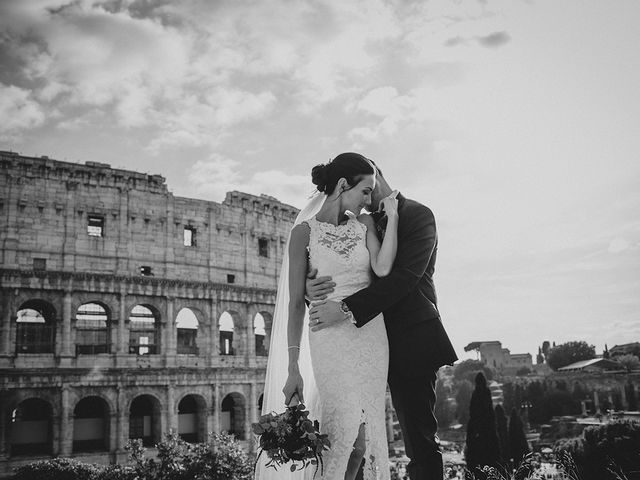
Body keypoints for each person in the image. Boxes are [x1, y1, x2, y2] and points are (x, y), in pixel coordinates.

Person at [308, 158, 458, 480]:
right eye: (362, 191)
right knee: (352, 438)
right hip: (358, 341)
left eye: (368, 190)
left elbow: (404, 279)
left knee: (418, 440)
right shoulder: (356, 222)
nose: (364, 198)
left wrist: (345, 308)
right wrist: (311, 286)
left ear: (378, 178)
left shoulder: (418, 215)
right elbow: (341, 269)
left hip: (410, 341)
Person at [256, 152, 398, 480]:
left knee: (362, 443)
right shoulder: (303, 234)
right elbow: (294, 303)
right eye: (366, 191)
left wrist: (394, 216)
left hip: (370, 335)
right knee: (343, 437)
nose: (369, 200)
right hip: (329, 340)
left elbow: (382, 268)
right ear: (343, 185)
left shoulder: (364, 225)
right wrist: (293, 368)